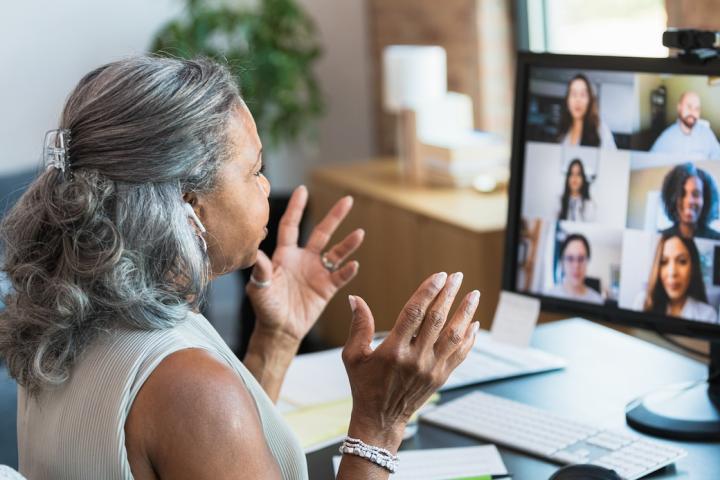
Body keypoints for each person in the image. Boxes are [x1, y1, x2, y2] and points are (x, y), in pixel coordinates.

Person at [0, 57, 481, 480]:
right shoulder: (185, 384)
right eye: (253, 170)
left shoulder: (67, 325)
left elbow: (202, 453)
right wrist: (380, 424)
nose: (267, 186)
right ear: (189, 206)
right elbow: (198, 414)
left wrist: (277, 340)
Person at [634, 234, 717, 323]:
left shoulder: (707, 315)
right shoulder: (642, 302)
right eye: (664, 262)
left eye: (682, 261)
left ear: (693, 267)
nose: (672, 272)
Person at [650, 91, 720, 160]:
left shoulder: (707, 133)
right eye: (689, 107)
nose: (693, 112)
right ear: (679, 108)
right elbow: (651, 162)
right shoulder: (666, 137)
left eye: (697, 109)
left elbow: (717, 156)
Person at [660, 162, 720, 240]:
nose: (689, 201)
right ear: (672, 198)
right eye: (682, 193)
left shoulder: (716, 240)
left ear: (706, 200)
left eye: (696, 194)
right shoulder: (662, 237)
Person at [557, 73, 617, 149]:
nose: (578, 100)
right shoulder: (563, 131)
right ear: (567, 100)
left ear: (589, 100)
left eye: (582, 94)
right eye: (574, 94)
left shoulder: (601, 130)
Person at [546, 233, 604, 304]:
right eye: (570, 258)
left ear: (587, 261)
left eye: (581, 259)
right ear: (562, 262)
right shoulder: (550, 295)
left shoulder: (598, 301)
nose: (576, 265)